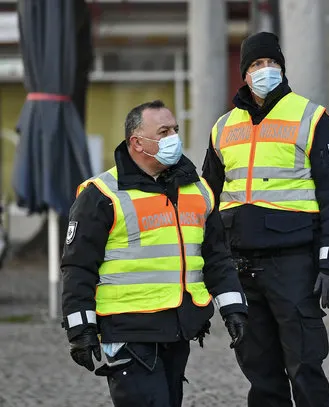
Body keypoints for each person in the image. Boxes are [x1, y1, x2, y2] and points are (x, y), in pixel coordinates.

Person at [61, 100, 248, 407]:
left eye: (175, 129)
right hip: (128, 331)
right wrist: (80, 328)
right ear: (137, 142)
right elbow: (77, 267)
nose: (174, 137)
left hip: (178, 328)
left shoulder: (198, 190)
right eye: (164, 131)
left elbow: (216, 257)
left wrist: (234, 308)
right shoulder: (101, 195)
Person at [201, 32, 329, 407]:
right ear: (244, 73)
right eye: (255, 64)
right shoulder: (222, 128)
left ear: (282, 68)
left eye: (271, 63)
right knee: (259, 371)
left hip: (294, 264)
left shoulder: (312, 118)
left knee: (305, 365)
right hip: (241, 265)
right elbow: (205, 198)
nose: (264, 70)